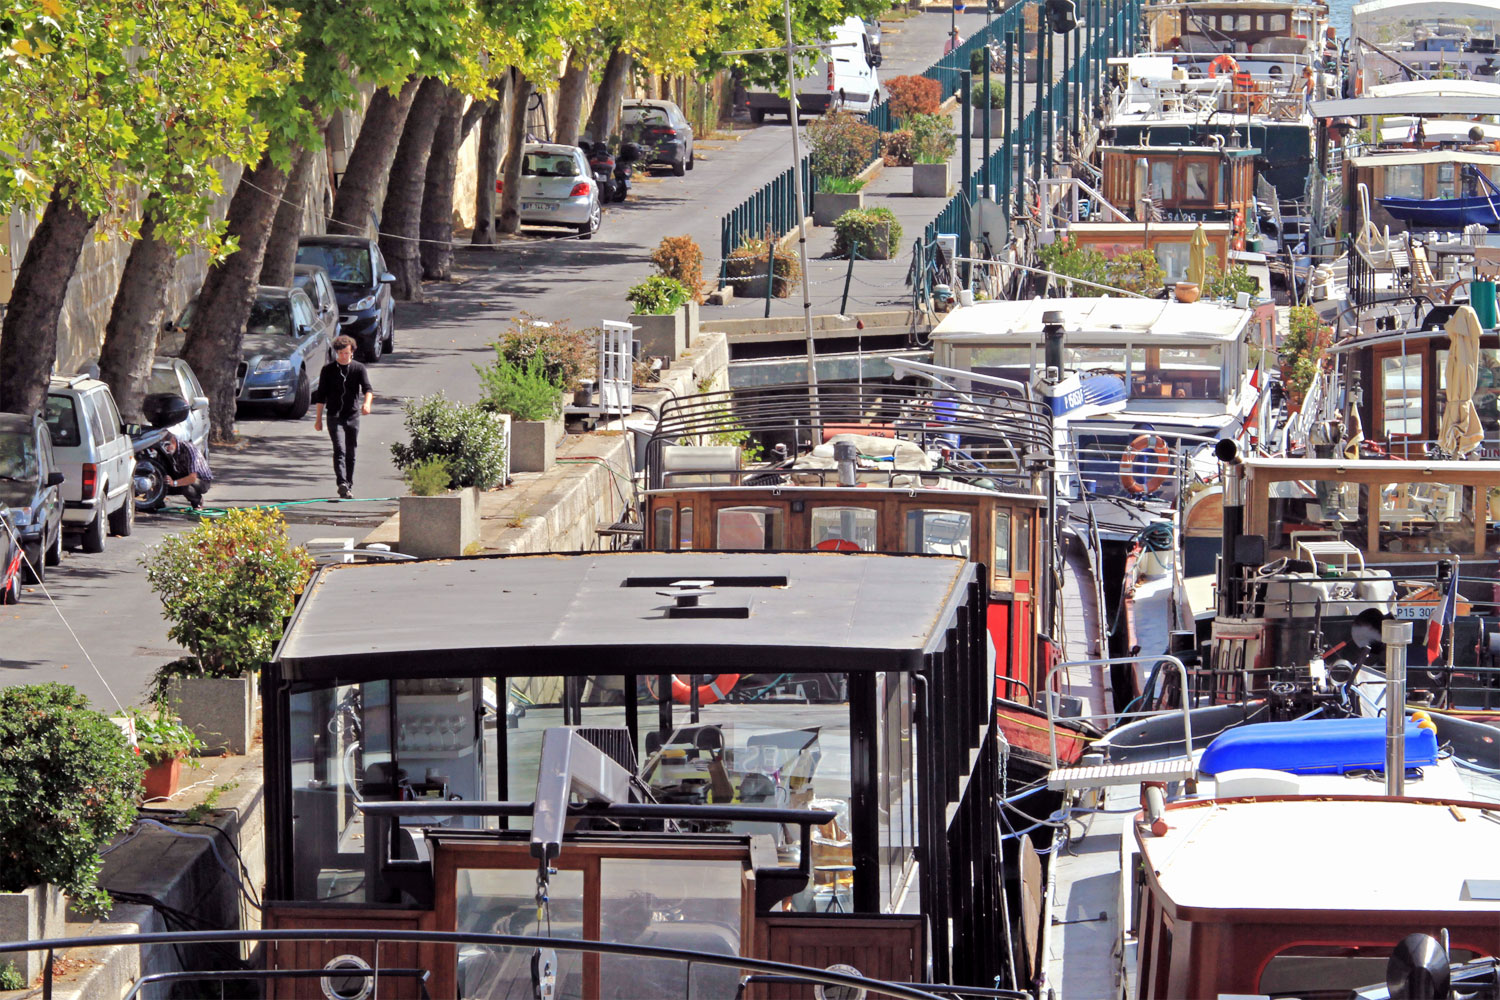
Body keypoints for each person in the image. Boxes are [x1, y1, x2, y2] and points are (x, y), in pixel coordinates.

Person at [313, 335, 374, 500]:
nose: (343, 356)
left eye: (346, 353)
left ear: (352, 352)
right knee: (339, 448)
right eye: (340, 353)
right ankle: (341, 482)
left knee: (351, 451)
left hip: (352, 415)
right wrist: (318, 420)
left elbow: (368, 389)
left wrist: (367, 404)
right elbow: (321, 397)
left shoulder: (358, 368)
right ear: (336, 353)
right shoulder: (328, 370)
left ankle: (348, 485)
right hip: (334, 415)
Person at [161, 433, 212, 509]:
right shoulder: (171, 452)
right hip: (184, 474)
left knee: (186, 487)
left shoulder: (189, 449)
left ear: (174, 441)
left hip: (202, 480)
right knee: (165, 483)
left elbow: (192, 478)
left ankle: (197, 502)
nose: (166, 449)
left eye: (168, 445)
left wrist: (174, 483)